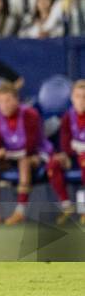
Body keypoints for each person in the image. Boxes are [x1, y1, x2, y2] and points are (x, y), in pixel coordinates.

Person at [0, 82, 49, 226]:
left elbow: (30, 147)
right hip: (9, 156)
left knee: (24, 161)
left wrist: (5, 152)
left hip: (35, 155)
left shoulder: (30, 114)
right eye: (0, 101)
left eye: (8, 100)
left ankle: (20, 212)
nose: (4, 105)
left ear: (17, 100)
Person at [46, 80, 85, 225]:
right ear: (72, 98)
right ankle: (66, 206)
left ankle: (84, 211)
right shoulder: (68, 116)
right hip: (72, 156)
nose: (81, 101)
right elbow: (65, 140)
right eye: (78, 96)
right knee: (53, 163)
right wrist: (66, 154)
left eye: (84, 97)